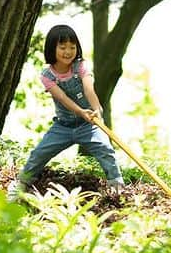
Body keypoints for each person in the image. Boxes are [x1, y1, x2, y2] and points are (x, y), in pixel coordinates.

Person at [16, 24, 123, 192]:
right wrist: (80, 111)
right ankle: (22, 183)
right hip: (63, 126)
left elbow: (88, 89)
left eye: (72, 47)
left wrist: (97, 111)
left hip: (88, 124)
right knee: (40, 153)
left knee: (105, 149)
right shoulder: (47, 75)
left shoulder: (80, 66)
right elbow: (62, 98)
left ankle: (116, 186)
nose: (68, 51)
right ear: (52, 48)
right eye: (62, 47)